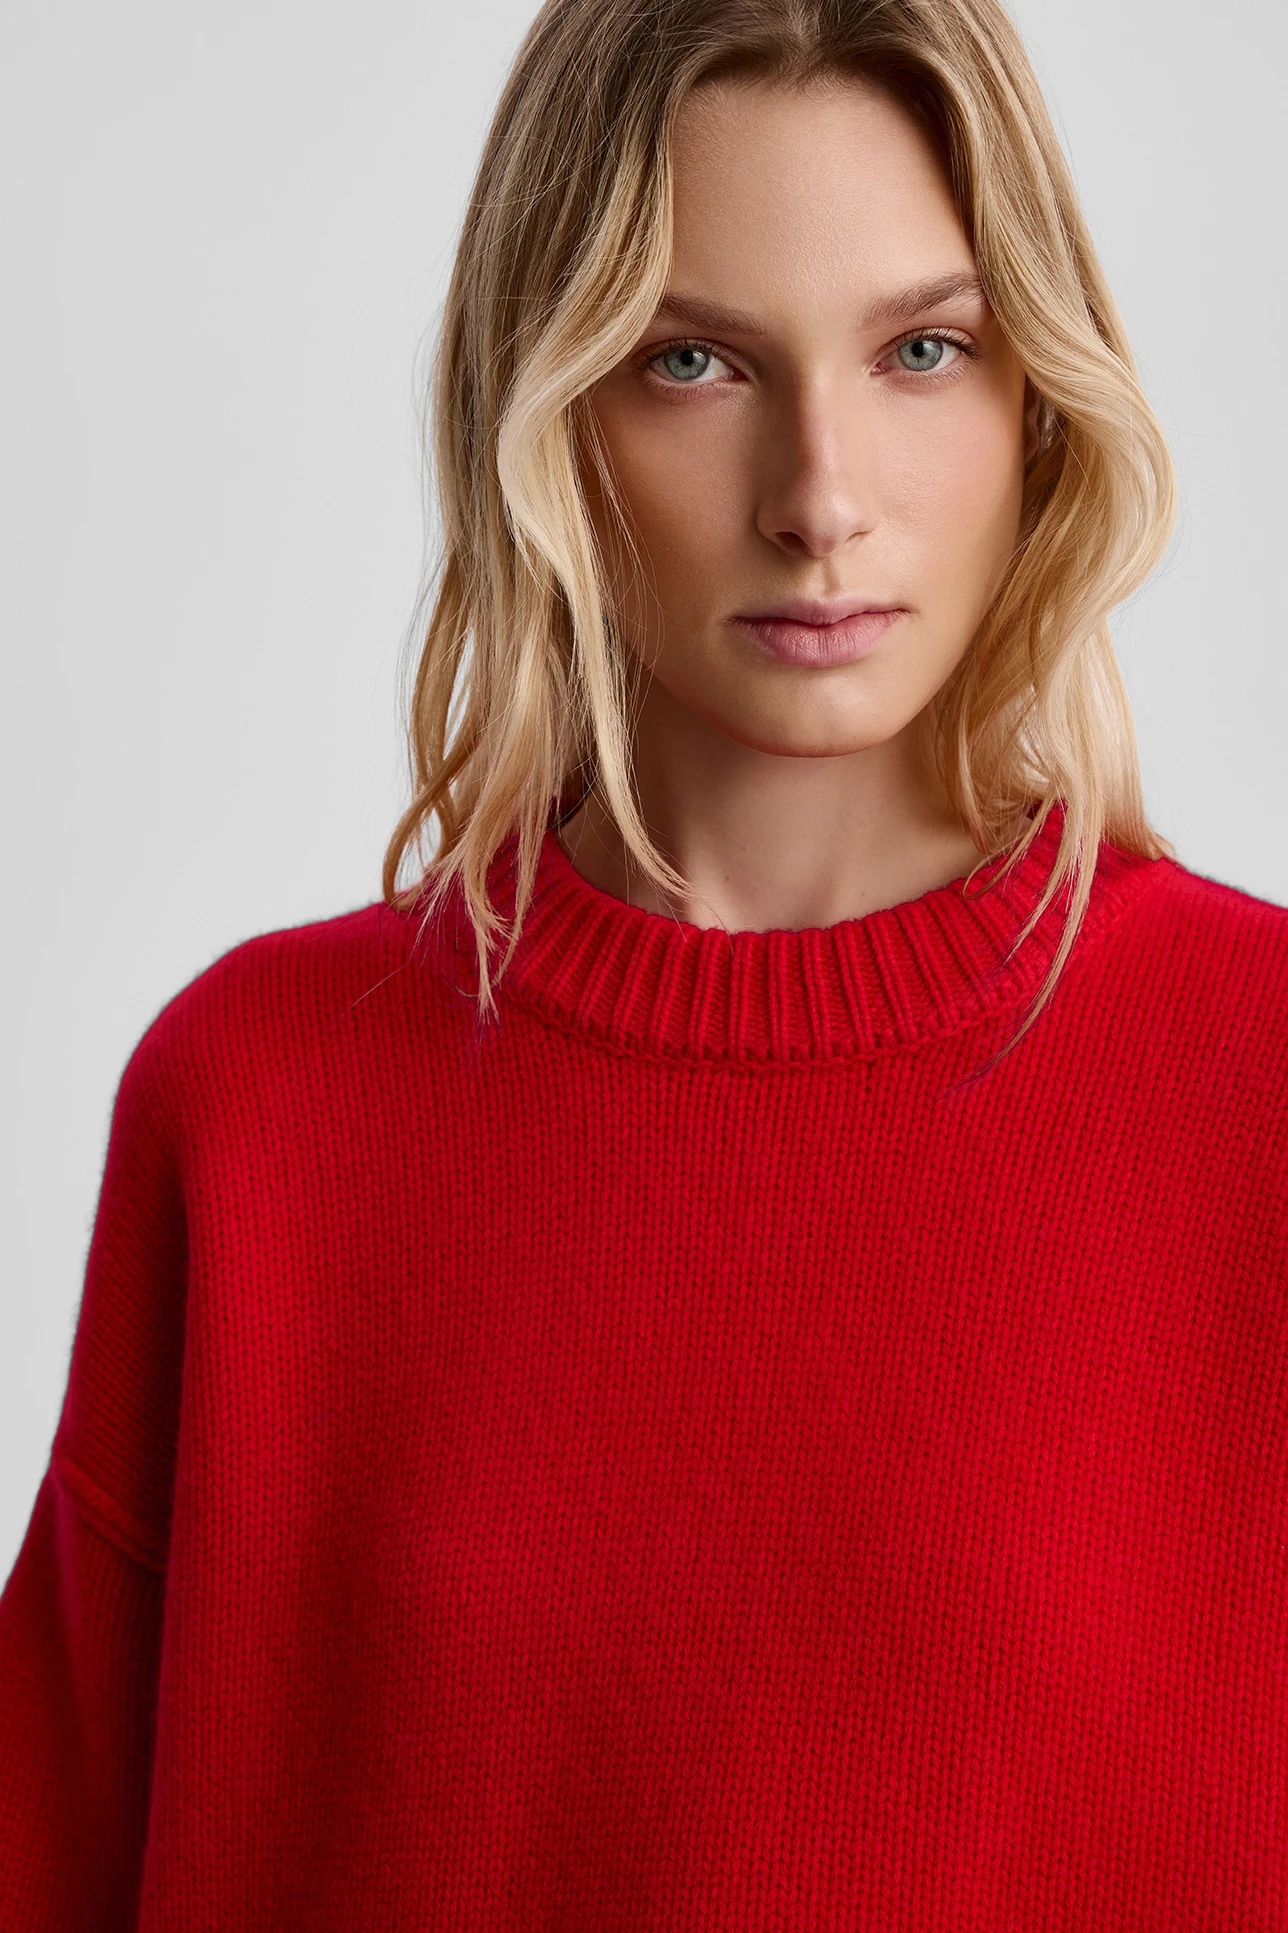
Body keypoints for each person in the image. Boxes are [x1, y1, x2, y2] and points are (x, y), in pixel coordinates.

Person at [3, 0, 1286, 1924]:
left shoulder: (1254, 1087)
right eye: (693, 361)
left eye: (923, 350)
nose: (820, 496)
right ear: (541, 411)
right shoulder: (261, 1105)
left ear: (1041, 393)